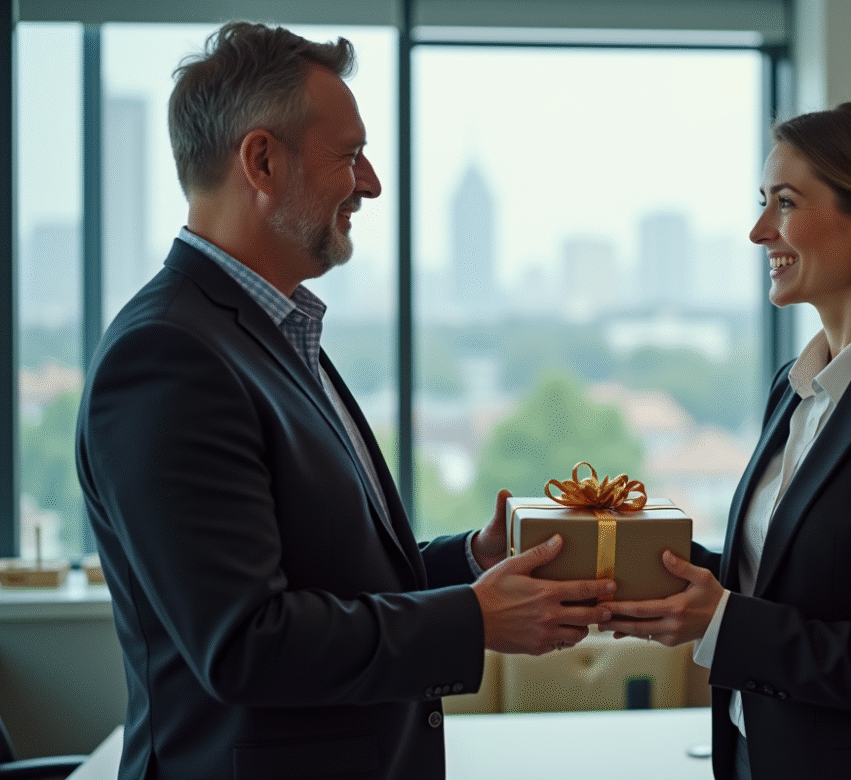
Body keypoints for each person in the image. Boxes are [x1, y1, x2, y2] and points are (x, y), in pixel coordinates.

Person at [75, 22, 614, 780]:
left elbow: (323, 578)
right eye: (349, 154)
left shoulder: (272, 332)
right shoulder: (169, 356)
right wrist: (476, 616)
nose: (371, 182)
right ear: (262, 160)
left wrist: (469, 564)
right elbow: (247, 642)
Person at [599, 102, 851, 779]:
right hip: (756, 753)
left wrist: (721, 620)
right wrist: (633, 547)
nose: (760, 232)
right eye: (763, 202)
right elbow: (776, 578)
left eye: (784, 203)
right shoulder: (795, 386)